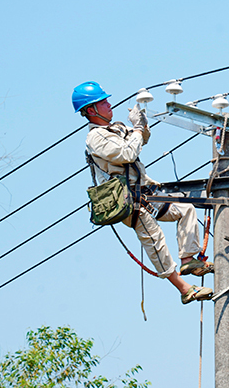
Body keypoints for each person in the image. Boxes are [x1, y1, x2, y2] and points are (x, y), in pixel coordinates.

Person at [72, 81, 213, 304]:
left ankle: (188, 258)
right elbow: (127, 153)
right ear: (91, 110)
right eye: (103, 102)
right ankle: (184, 289)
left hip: (143, 192)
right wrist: (136, 130)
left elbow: (141, 140)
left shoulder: (113, 129)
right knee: (154, 240)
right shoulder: (96, 138)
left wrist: (141, 126)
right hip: (126, 201)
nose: (110, 105)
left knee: (185, 208)